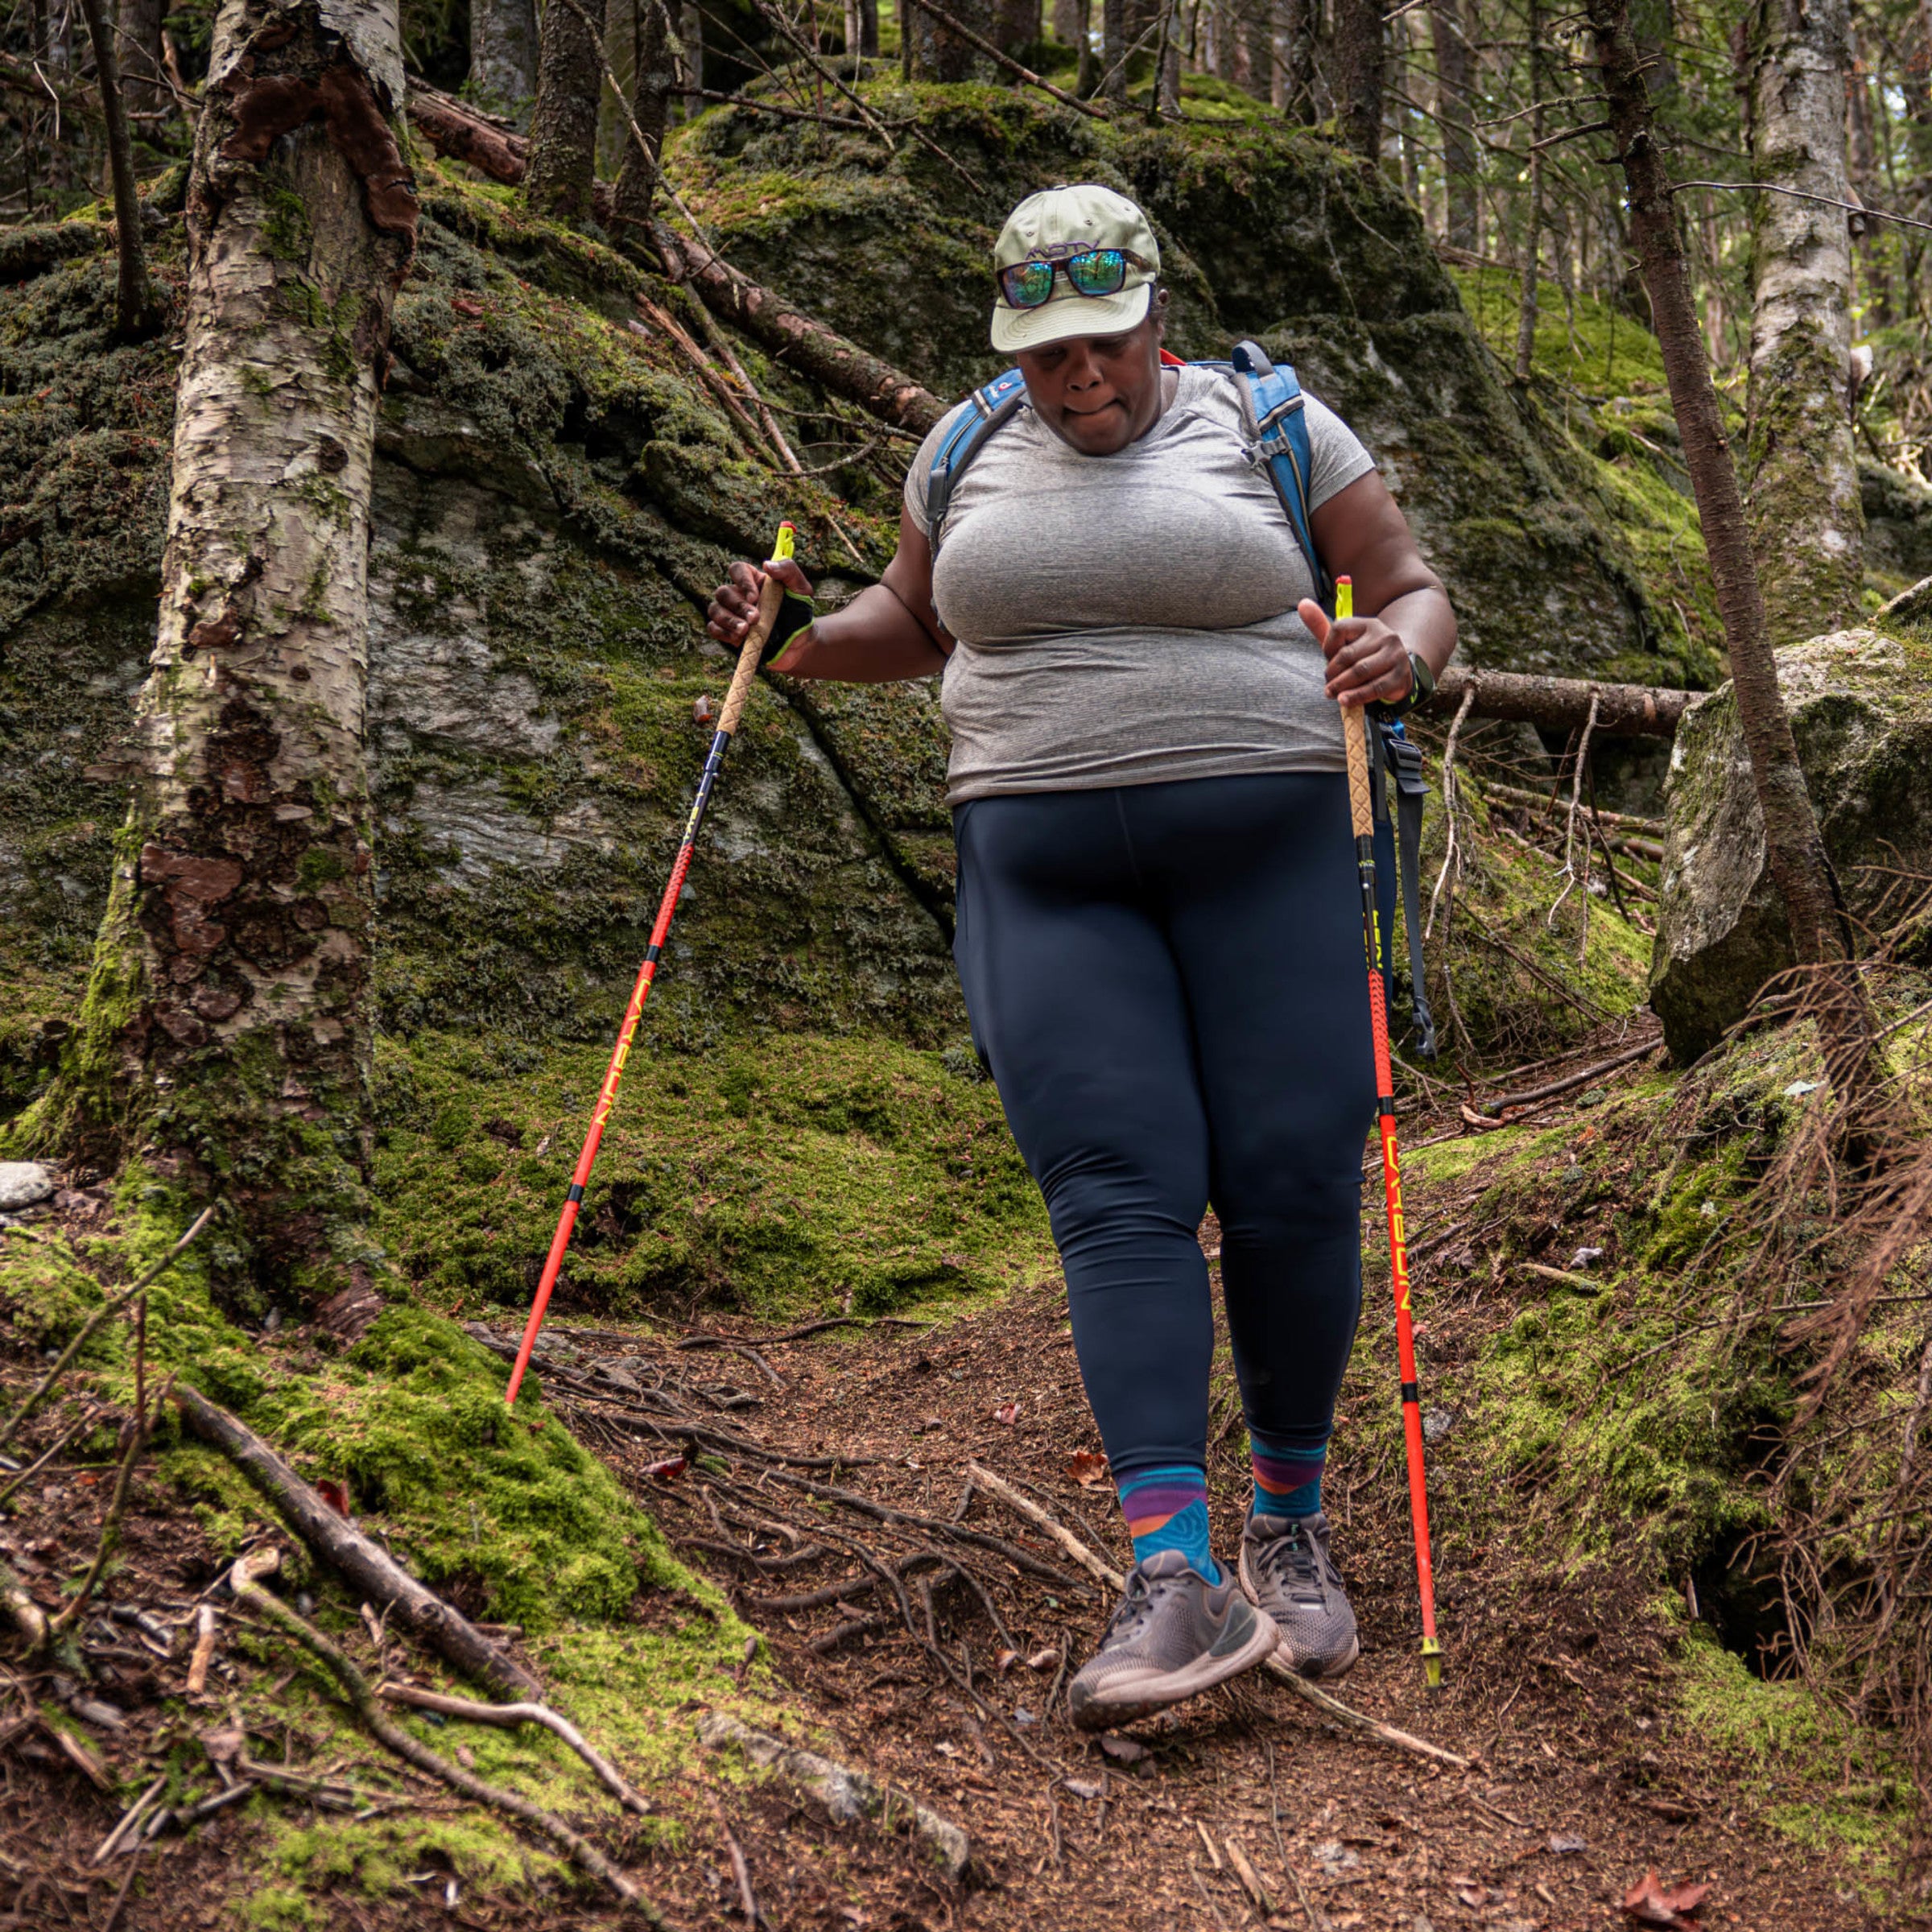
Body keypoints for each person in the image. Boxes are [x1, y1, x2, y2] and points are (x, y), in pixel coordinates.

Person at [707, 184, 1457, 1731]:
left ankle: (1292, 1526)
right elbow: (906, 623)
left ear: (1155, 324)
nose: (1081, 378)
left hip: (1275, 853)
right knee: (1117, 1188)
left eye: (1106, 345)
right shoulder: (963, 448)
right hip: (1043, 874)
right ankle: (1171, 1577)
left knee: (1290, 1174)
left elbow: (1411, 587)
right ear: (1014, 350)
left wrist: (1406, 652)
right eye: (1050, 354)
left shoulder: (1271, 417)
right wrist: (786, 636)